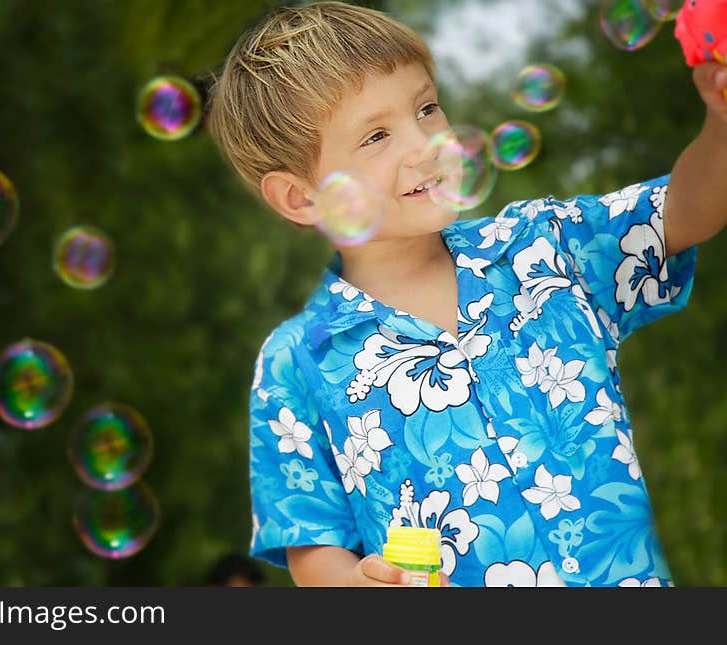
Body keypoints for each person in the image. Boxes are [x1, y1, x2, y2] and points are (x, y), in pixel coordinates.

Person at [206, 1, 727, 587]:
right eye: (376, 135)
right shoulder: (296, 361)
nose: (426, 142)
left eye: (426, 107)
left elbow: (686, 211)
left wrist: (721, 121)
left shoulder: (540, 248)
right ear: (301, 198)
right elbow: (311, 544)